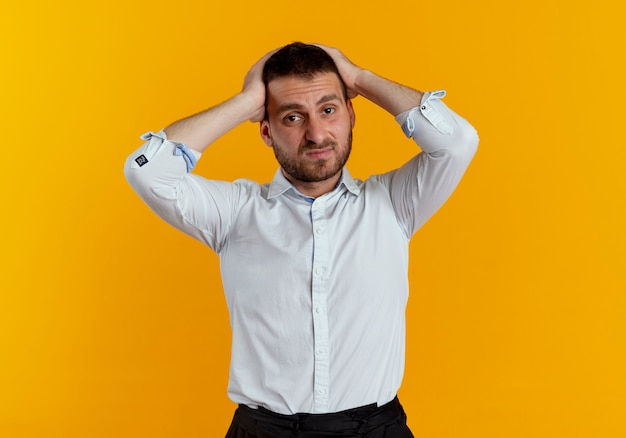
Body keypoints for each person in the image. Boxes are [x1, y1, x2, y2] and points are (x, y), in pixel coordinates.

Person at [124, 42, 478, 437]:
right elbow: (146, 171)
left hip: (375, 428)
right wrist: (246, 101)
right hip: (263, 430)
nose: (316, 133)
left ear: (350, 115)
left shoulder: (393, 203)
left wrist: (359, 77)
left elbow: (457, 142)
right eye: (292, 117)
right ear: (266, 130)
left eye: (329, 110)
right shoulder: (234, 212)